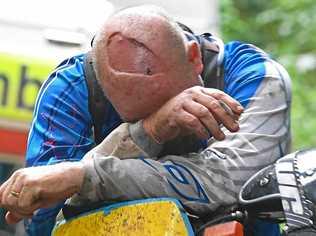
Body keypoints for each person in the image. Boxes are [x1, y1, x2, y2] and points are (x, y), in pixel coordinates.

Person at [0, 5, 291, 236]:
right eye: (133, 116)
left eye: (170, 103)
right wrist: (149, 131)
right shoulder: (73, 89)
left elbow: (226, 181)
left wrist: (83, 176)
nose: (172, 116)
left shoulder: (255, 76)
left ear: (194, 59)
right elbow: (42, 221)